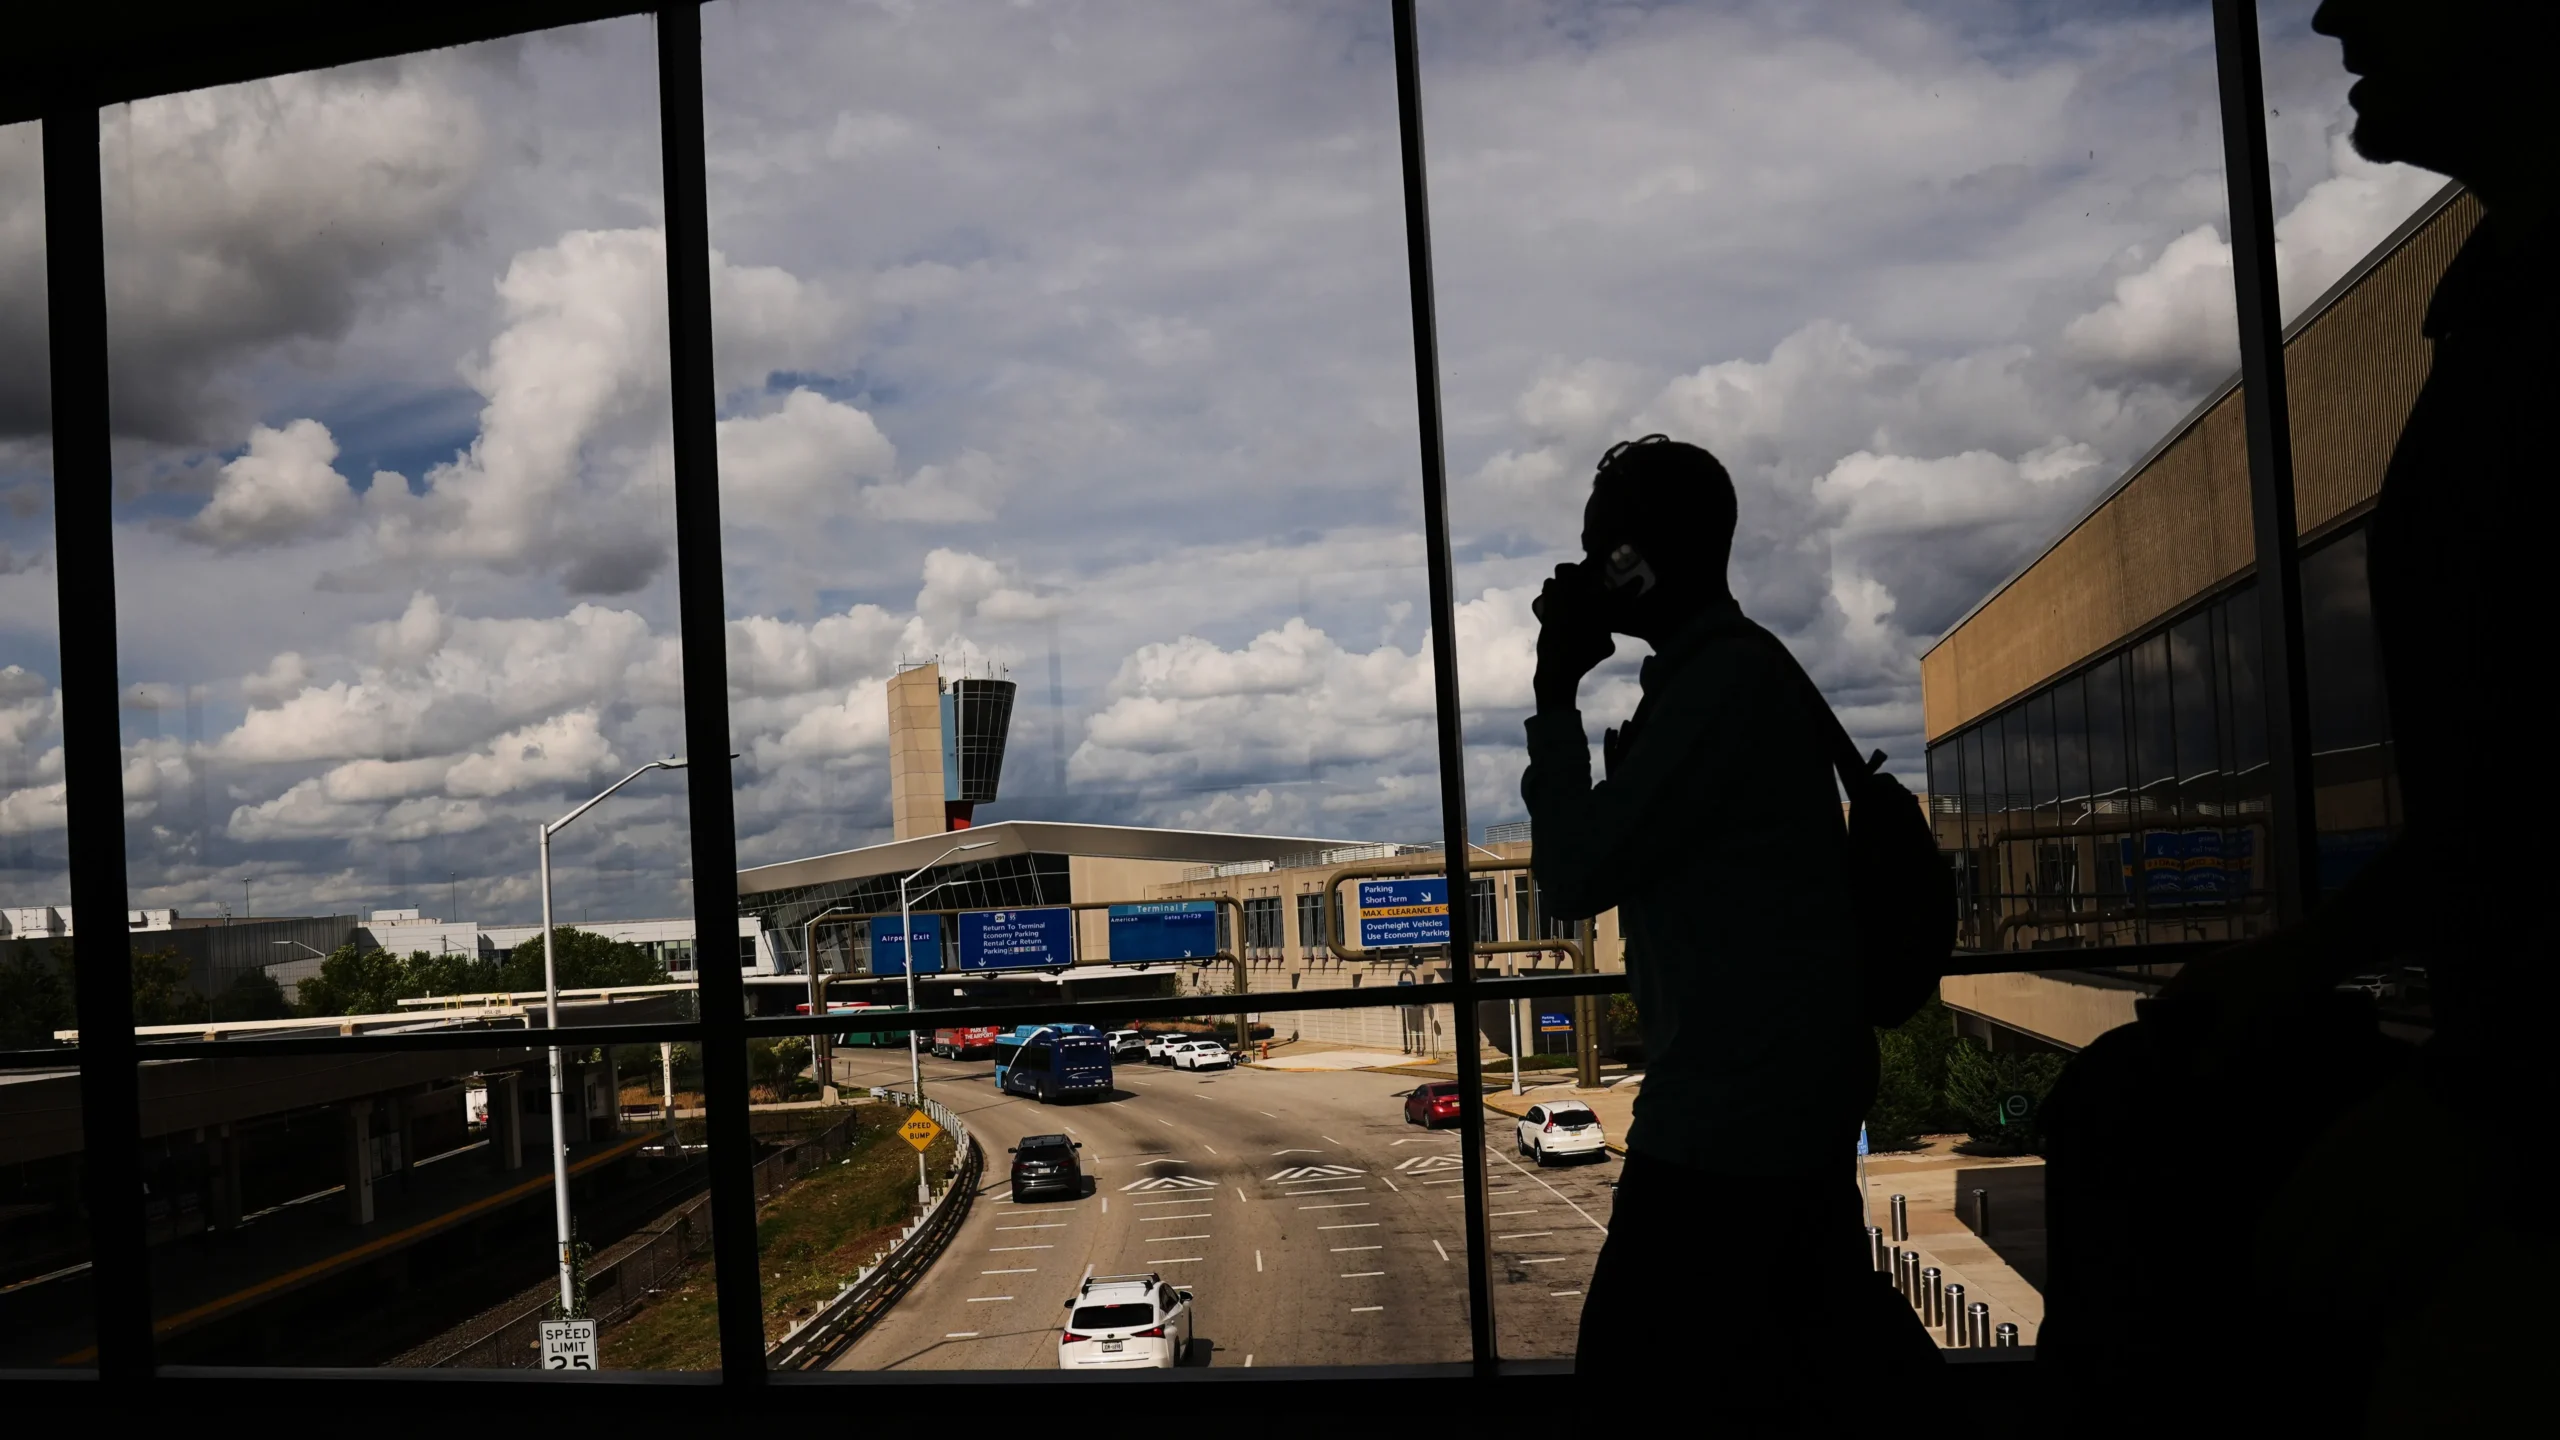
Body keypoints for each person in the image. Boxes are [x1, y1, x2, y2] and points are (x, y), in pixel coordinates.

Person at [2040, 2, 2554, 1426]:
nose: (2328, 10)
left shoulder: (2522, 323)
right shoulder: (2486, 303)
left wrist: (2494, 1115)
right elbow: (2495, 793)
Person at [1523, 435, 1931, 1398]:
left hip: (1727, 1128)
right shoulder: (1729, 680)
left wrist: (1552, 689)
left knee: (1635, 1378)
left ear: (1636, 559)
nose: (1584, 572)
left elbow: (1575, 873)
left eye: (1599, 551)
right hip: (1772, 1111)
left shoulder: (1717, 692)